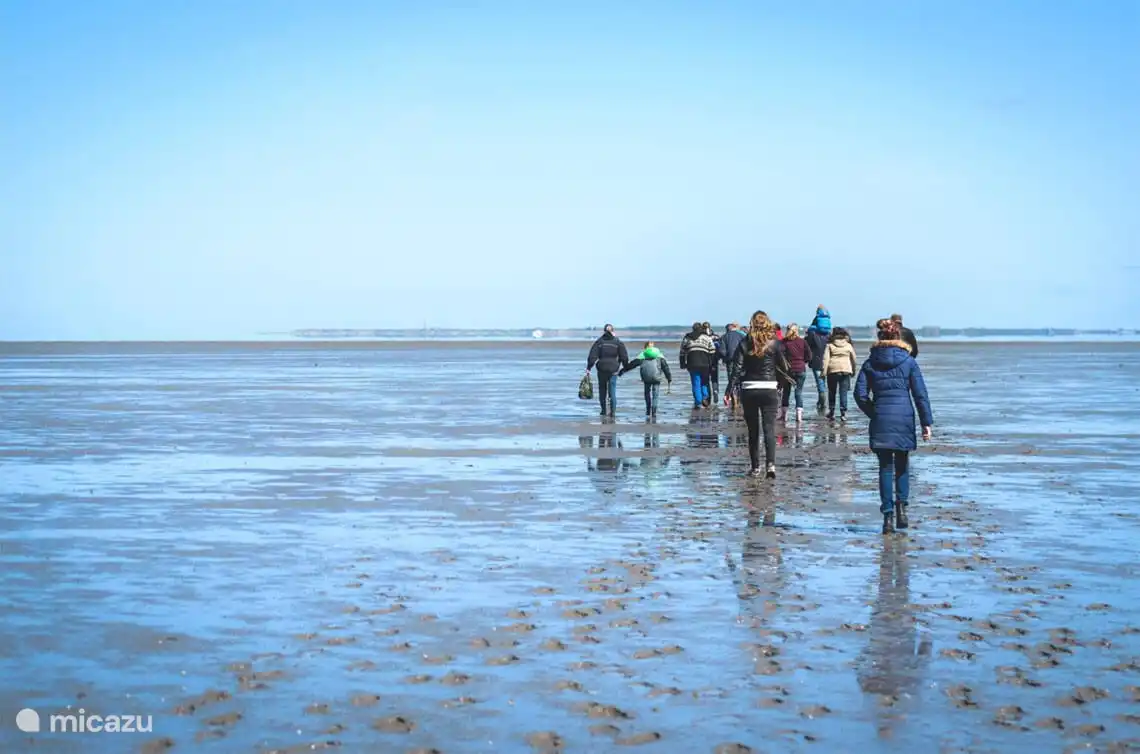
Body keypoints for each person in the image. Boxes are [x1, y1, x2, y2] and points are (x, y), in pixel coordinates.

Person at [855, 318, 934, 534]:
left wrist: (874, 412)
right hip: (903, 418)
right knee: (902, 464)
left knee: (884, 468)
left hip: (882, 418)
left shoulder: (870, 362)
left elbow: (860, 395)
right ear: (898, 337)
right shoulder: (909, 362)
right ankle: (902, 509)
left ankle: (888, 516)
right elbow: (920, 395)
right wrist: (926, 422)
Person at [728, 310, 792, 478]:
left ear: (752, 324)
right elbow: (785, 368)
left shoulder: (745, 342)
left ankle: (756, 468)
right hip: (769, 388)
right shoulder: (775, 343)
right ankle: (770, 466)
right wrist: (779, 385)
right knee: (769, 429)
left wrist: (729, 389)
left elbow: (737, 368)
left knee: (753, 431)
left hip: (749, 389)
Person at [586, 324, 629, 417]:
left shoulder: (599, 342)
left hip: (602, 368)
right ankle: (612, 412)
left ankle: (603, 410)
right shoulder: (618, 342)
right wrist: (624, 368)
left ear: (604, 331)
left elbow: (592, 356)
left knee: (602, 390)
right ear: (613, 331)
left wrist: (589, 368)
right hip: (614, 368)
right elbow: (624, 357)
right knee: (612, 390)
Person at [620, 341, 673, 417]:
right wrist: (669, 377)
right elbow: (665, 367)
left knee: (647, 393)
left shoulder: (643, 355)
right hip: (656, 377)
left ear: (645, 347)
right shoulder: (659, 355)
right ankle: (654, 411)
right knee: (655, 395)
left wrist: (623, 370)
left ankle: (648, 410)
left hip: (646, 378)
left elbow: (633, 364)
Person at [779, 323, 813, 423]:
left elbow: (780, 356)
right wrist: (803, 362)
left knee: (786, 392)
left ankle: (784, 416)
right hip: (800, 369)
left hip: (788, 371)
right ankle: (799, 417)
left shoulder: (784, 342)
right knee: (798, 393)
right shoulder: (803, 342)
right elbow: (809, 356)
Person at [822, 327, 858, 421]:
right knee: (843, 392)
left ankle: (832, 411)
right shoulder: (848, 345)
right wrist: (854, 371)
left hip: (833, 370)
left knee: (832, 392)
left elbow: (825, 360)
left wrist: (823, 372)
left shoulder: (830, 345)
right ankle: (843, 413)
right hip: (846, 370)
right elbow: (854, 359)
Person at [679, 322, 717, 409]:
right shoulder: (707, 337)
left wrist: (683, 364)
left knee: (696, 382)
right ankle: (705, 398)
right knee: (704, 382)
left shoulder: (687, 338)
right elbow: (712, 351)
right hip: (705, 363)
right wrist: (712, 364)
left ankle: (698, 402)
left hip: (692, 363)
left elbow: (682, 352)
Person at [805, 306, 832, 414]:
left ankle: (822, 403)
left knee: (820, 382)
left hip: (816, 360)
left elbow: (807, 344)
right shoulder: (829, 332)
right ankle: (824, 402)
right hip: (828, 360)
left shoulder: (813, 333)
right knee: (826, 382)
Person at [718, 323, 747, 409]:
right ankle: (740, 399)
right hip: (742, 360)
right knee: (741, 379)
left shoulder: (724, 337)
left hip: (730, 360)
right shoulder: (742, 335)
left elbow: (722, 351)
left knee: (732, 380)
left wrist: (725, 358)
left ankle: (734, 399)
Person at [703, 322, 721, 403]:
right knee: (714, 379)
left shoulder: (702, 337)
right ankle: (715, 391)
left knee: (705, 379)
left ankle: (708, 397)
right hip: (714, 360)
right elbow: (719, 348)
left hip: (705, 361)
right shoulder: (716, 337)